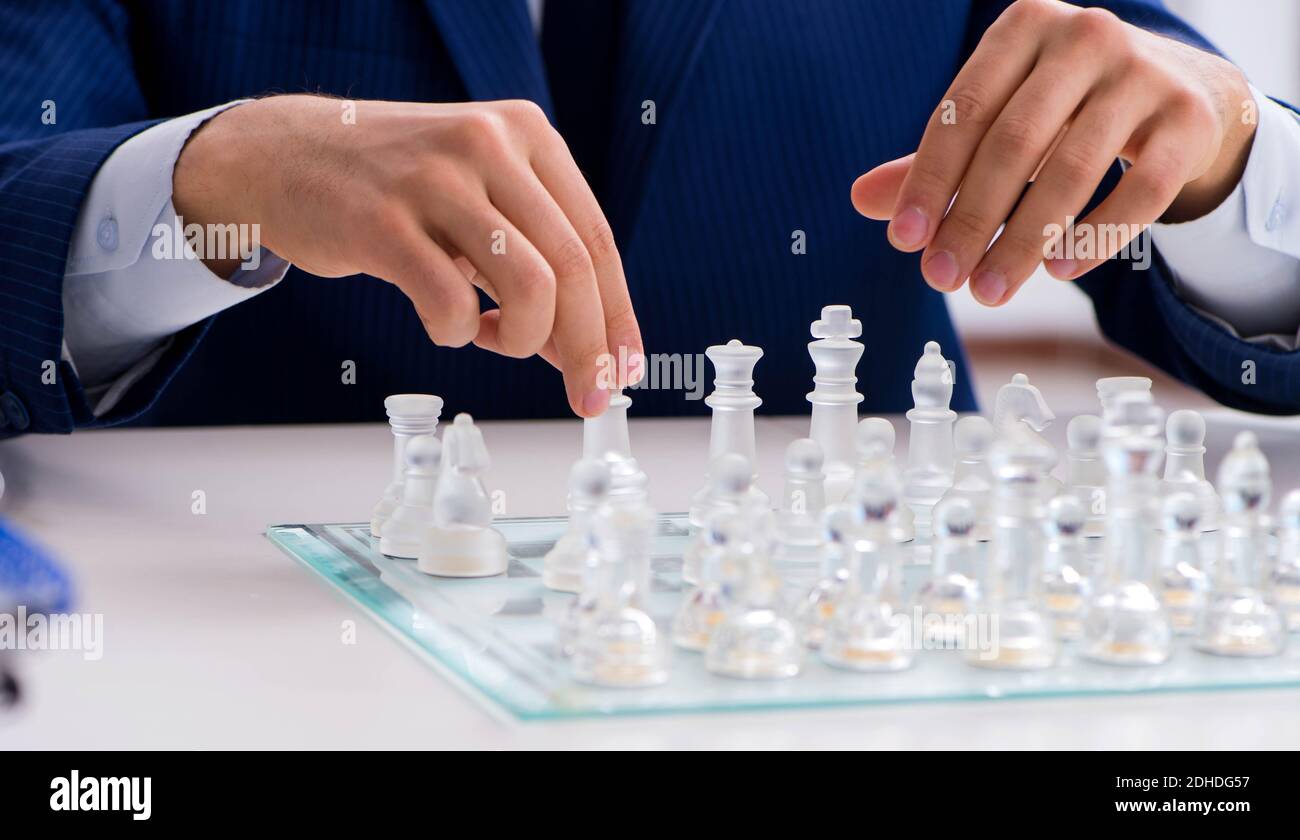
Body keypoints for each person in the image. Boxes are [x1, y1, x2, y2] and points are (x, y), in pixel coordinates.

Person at [1, 0, 1297, 438]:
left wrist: (1228, 158)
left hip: (869, 667)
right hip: (255, 667)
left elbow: (1146, 115)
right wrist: (204, 183)